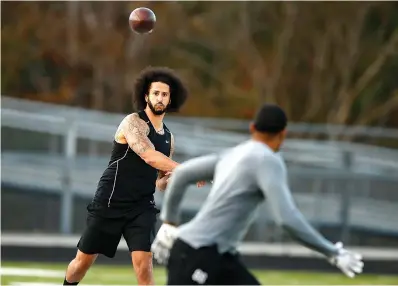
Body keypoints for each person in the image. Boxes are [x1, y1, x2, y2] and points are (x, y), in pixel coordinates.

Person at [151, 103, 364, 285]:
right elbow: (287, 220)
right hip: (199, 253)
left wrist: (169, 222)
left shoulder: (234, 153)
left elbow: (182, 175)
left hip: (214, 255)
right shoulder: (269, 160)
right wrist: (332, 252)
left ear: (253, 128)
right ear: (283, 134)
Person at [63, 66, 203, 285]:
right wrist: (188, 170)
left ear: (169, 99)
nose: (160, 98)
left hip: (141, 207)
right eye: (155, 93)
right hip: (110, 201)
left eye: (164, 94)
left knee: (144, 266)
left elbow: (160, 183)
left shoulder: (168, 137)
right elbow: (148, 156)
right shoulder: (133, 122)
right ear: (146, 96)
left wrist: (177, 177)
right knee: (82, 263)